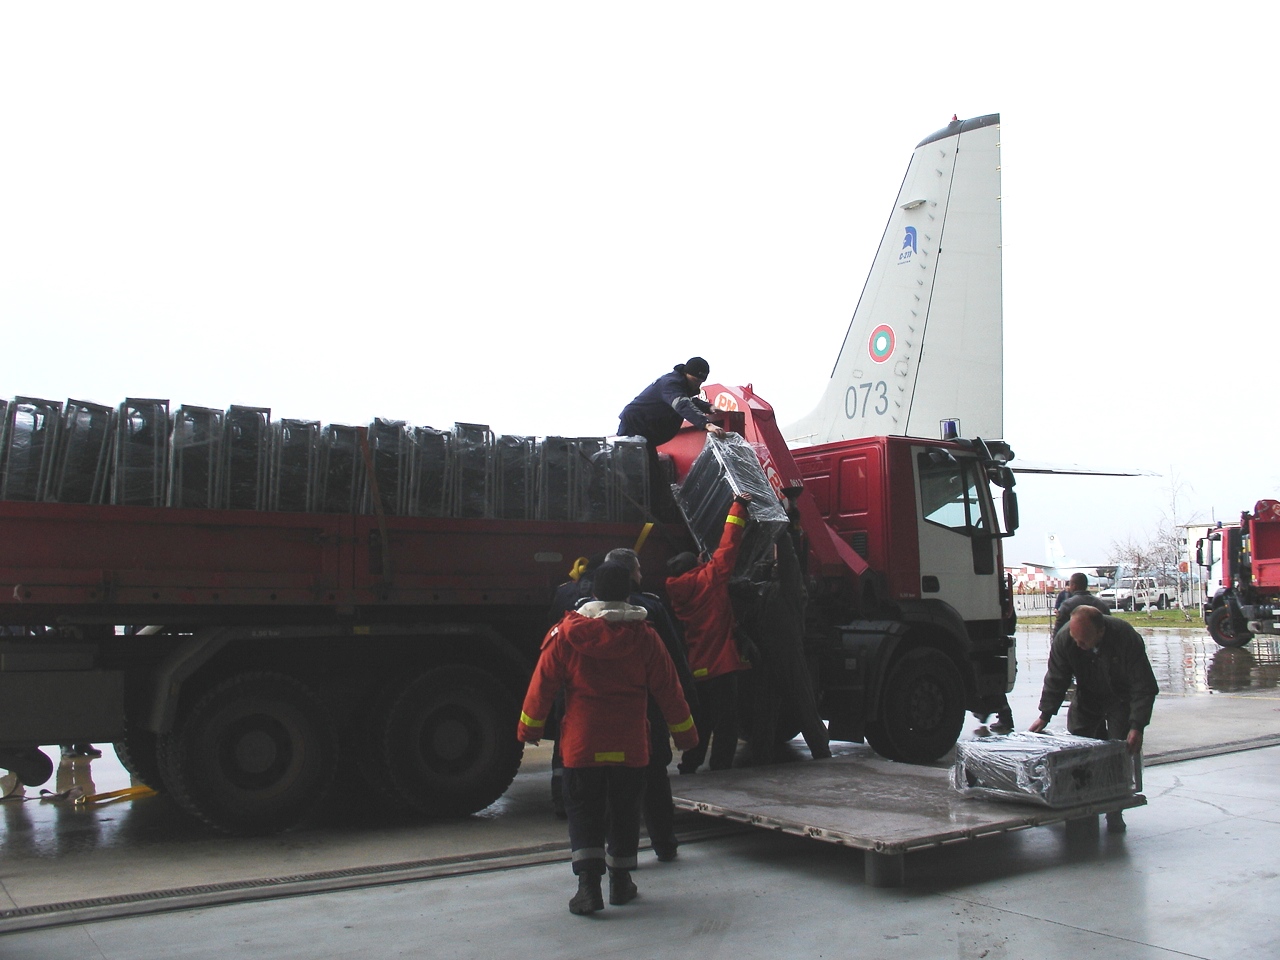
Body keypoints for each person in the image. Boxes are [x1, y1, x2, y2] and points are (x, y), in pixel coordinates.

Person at [517, 562, 698, 916]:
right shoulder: (646, 637)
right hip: (630, 746)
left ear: (593, 592)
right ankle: (620, 883)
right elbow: (669, 690)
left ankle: (588, 889)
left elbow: (542, 686)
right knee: (625, 813)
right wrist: (686, 734)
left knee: (584, 812)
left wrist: (529, 730)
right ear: (628, 592)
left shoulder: (566, 634)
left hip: (581, 747)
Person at [605, 546, 699, 861]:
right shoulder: (651, 610)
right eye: (639, 570)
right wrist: (688, 703)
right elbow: (672, 663)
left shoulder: (583, 615)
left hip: (607, 716)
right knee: (655, 777)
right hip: (647, 712)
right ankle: (664, 843)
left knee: (616, 787)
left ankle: (619, 854)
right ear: (631, 574)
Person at [1029, 605, 1158, 832]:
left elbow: (1143, 685)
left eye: (1084, 641)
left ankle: (1114, 810)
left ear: (1100, 632)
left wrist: (1137, 726)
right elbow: (1056, 678)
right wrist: (1045, 715)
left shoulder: (1124, 637)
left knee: (1118, 753)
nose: (1079, 645)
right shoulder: (1066, 640)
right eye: (1075, 639)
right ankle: (1080, 806)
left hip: (1120, 698)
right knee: (1079, 751)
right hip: (1088, 696)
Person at [666, 493, 753, 773]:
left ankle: (690, 762)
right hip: (721, 666)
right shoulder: (710, 579)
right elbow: (729, 545)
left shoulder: (676, 592)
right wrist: (738, 505)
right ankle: (720, 766)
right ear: (697, 564)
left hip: (696, 667)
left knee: (700, 718)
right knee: (726, 721)